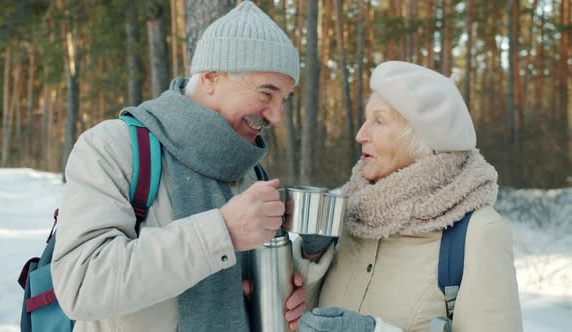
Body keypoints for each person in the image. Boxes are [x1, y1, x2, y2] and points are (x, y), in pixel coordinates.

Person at [51, 2, 306, 331]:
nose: (276, 116)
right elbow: (82, 285)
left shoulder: (250, 173)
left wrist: (279, 294)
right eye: (267, 93)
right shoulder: (114, 148)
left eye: (284, 98)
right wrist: (222, 232)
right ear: (212, 77)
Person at [294, 61, 523, 332]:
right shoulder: (353, 214)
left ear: (420, 139)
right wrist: (311, 258)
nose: (360, 135)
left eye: (378, 121)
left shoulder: (480, 233)